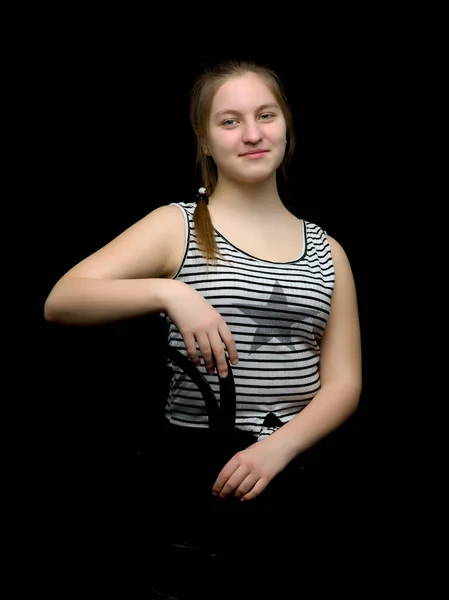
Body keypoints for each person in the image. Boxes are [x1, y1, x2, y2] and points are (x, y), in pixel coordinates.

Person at [44, 59, 362, 598]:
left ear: (287, 124)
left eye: (266, 115)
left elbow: (344, 382)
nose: (254, 133)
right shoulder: (178, 226)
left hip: (299, 473)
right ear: (205, 139)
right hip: (197, 482)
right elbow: (62, 300)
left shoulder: (329, 251)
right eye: (230, 121)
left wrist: (277, 449)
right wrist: (171, 291)